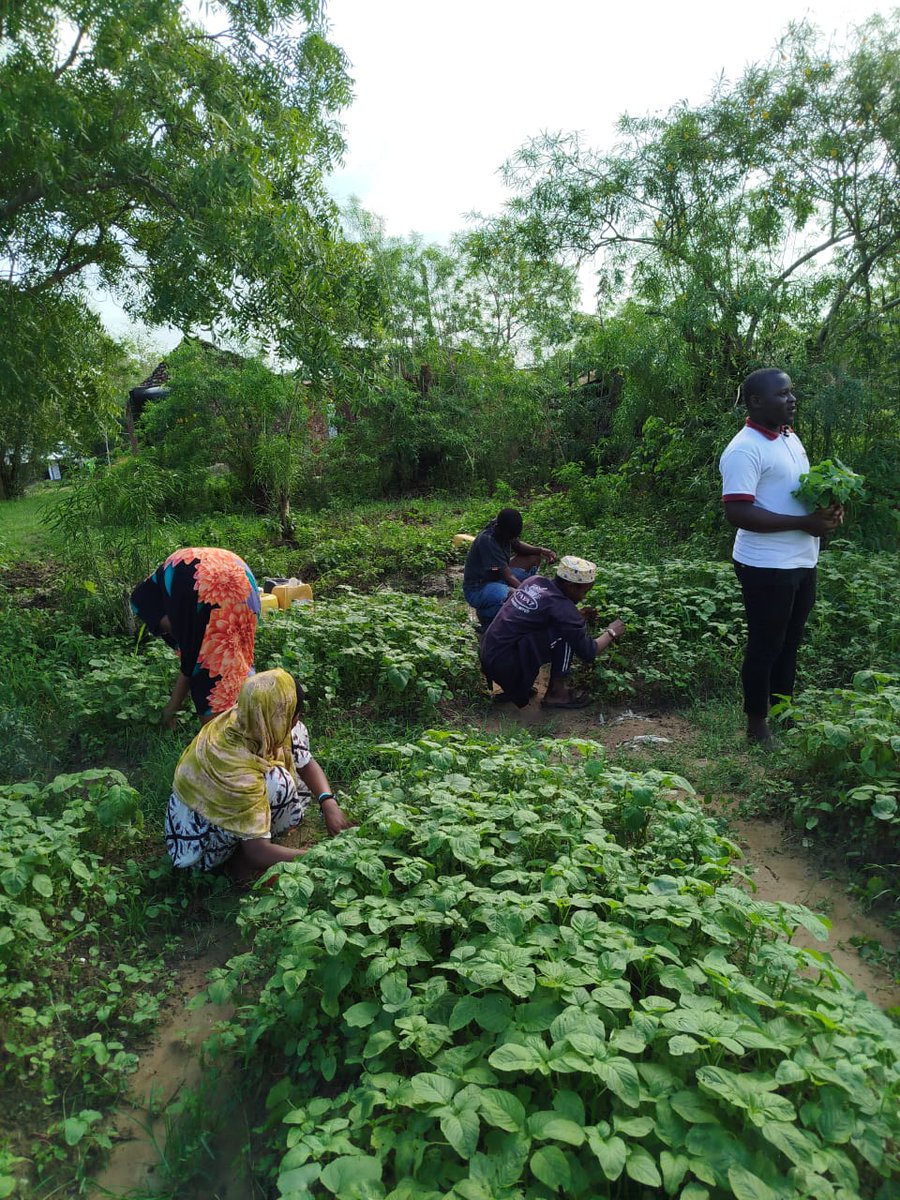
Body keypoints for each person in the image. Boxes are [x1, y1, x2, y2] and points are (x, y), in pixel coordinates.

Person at [719, 368, 843, 748]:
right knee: (766, 645)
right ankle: (757, 725)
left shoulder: (788, 437)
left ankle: (782, 711)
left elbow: (792, 492)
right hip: (766, 565)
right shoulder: (744, 448)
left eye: (792, 392)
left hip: (802, 562)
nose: (792, 400)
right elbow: (738, 513)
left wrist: (827, 510)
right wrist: (804, 522)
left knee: (790, 642)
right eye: (782, 394)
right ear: (756, 401)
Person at [164, 669, 353, 882]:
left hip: (205, 815)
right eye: (294, 715)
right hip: (198, 846)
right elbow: (257, 852)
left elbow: (306, 762)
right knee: (278, 782)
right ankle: (236, 861)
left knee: (289, 768)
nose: (296, 720)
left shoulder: (251, 716)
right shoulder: (236, 766)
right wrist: (320, 857)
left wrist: (328, 803)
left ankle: (250, 839)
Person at [131, 547, 261, 728]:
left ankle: (221, 741)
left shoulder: (149, 599)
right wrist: (172, 708)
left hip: (199, 579)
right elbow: (191, 659)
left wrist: (170, 711)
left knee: (209, 676)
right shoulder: (168, 581)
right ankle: (259, 715)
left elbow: (193, 658)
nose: (163, 630)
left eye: (158, 625)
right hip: (239, 572)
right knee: (237, 653)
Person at [479, 555, 626, 709]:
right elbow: (589, 651)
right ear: (571, 586)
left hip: (489, 654)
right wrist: (611, 632)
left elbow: (540, 616)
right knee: (566, 636)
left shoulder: (534, 581)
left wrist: (577, 616)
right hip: (506, 666)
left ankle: (514, 687)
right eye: (584, 592)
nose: (584, 598)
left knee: (560, 629)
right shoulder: (564, 610)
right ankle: (557, 693)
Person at [462, 508, 558, 627]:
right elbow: (509, 576)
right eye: (511, 537)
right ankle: (486, 615)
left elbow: (517, 546)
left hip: (496, 576)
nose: (512, 540)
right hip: (478, 588)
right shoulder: (488, 541)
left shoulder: (502, 527)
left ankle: (505, 603)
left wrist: (541, 551)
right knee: (514, 595)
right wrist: (531, 594)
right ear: (500, 529)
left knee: (534, 557)